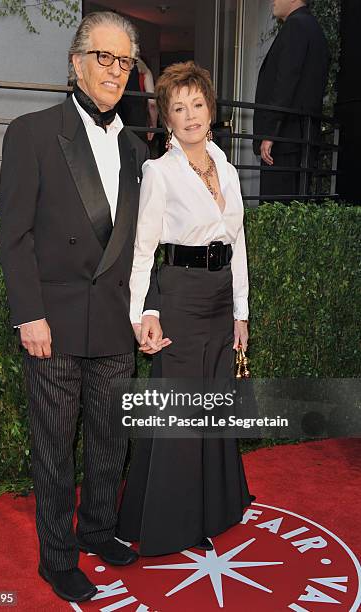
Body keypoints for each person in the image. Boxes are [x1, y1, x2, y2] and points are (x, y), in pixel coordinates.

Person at [0, 12, 154, 603]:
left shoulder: (140, 150)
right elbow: (15, 236)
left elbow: (143, 246)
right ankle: (57, 558)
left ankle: (97, 531)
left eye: (124, 62)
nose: (115, 72)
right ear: (76, 61)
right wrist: (28, 313)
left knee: (111, 440)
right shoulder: (33, 132)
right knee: (55, 447)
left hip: (115, 322)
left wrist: (149, 310)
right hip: (55, 325)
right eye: (104, 58)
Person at [117, 61, 253, 556]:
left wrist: (241, 314)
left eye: (197, 104)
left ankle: (212, 510)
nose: (190, 115)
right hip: (179, 296)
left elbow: (236, 245)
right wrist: (142, 314)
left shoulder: (230, 171)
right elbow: (142, 250)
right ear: (166, 118)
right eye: (179, 107)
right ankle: (167, 521)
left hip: (219, 301)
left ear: (211, 110)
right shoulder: (159, 172)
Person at [253, 0, 329, 200]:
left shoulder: (296, 26)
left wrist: (270, 133)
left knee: (275, 211)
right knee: (294, 209)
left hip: (284, 141)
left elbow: (285, 82)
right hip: (301, 138)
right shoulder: (313, 28)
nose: (273, 1)